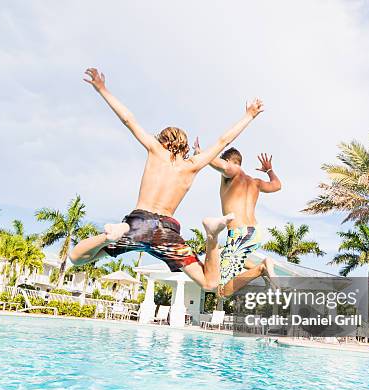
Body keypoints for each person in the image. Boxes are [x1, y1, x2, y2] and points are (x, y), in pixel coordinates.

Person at [69, 68, 264, 290]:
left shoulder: (155, 150)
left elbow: (128, 119)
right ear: (185, 146)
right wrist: (249, 115)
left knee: (77, 257)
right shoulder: (192, 165)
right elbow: (222, 141)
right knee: (210, 284)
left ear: (161, 139)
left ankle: (109, 236)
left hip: (137, 224)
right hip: (167, 231)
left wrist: (102, 89)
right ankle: (211, 235)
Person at [202, 144, 282, 296]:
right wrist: (269, 171)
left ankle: (263, 267)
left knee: (221, 291)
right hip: (254, 232)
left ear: (227, 161)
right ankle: (262, 269)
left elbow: (220, 165)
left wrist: (201, 153)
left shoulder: (232, 174)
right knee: (229, 257)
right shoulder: (255, 182)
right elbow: (277, 185)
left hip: (239, 233)